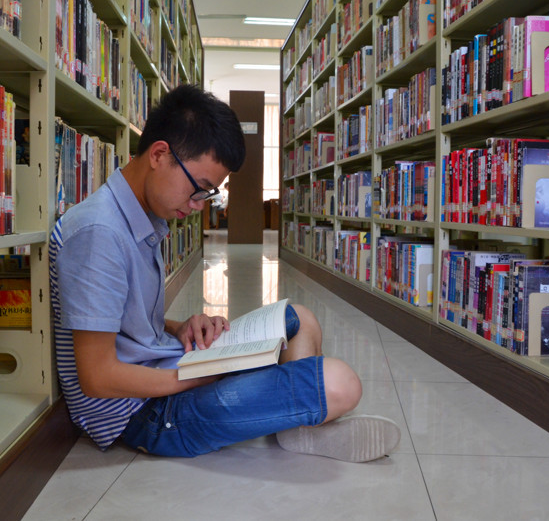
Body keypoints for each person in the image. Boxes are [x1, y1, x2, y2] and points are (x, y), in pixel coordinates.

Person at [48, 84, 400, 461]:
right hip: (145, 412)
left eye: (207, 194)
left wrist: (179, 328)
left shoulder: (136, 217)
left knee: (300, 318)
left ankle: (298, 429)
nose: (199, 206)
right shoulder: (98, 232)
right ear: (159, 154)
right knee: (341, 384)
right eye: (199, 189)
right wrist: (196, 376)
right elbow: (97, 377)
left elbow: (120, 322)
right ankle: (299, 422)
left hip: (166, 367)